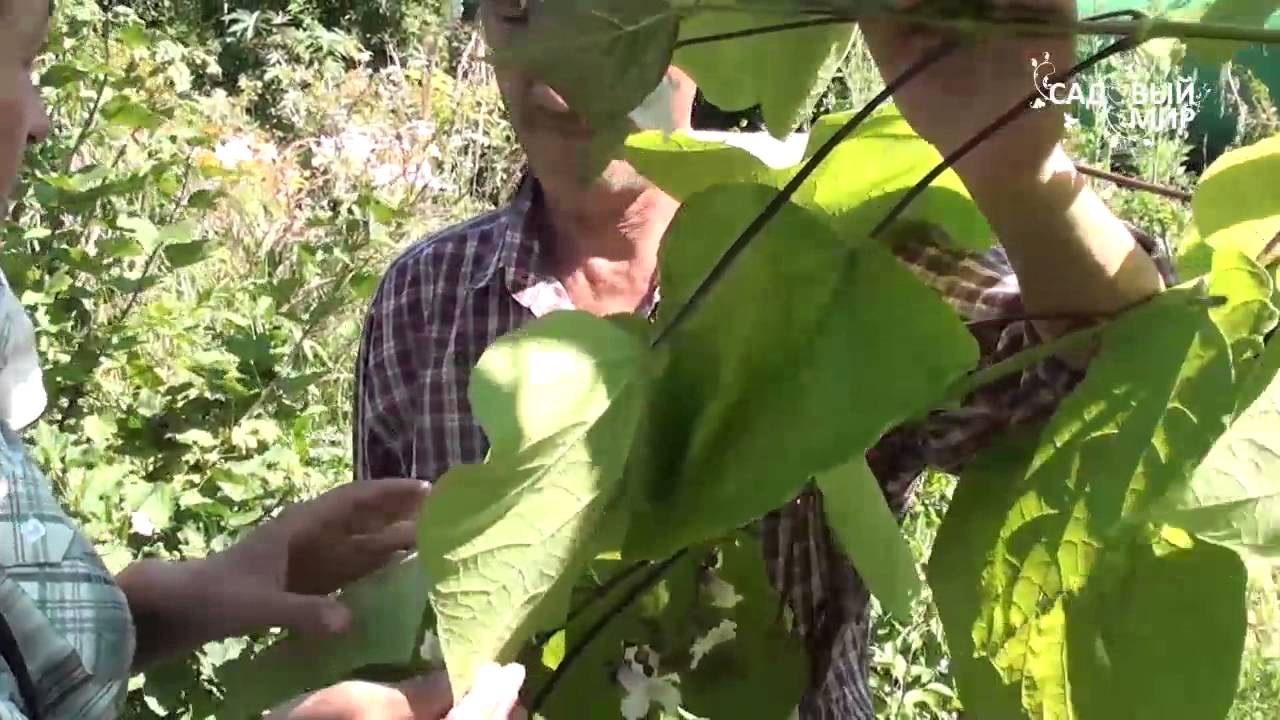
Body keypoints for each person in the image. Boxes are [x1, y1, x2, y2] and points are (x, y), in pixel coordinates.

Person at [352, 0, 1178, 718]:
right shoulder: (424, 299)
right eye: (518, 10)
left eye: (603, 11)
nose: (558, 72)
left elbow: (1115, 389)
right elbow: (386, 597)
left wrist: (1025, 169)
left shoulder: (834, 244)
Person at [0, 1, 528, 718]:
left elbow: (25, 647)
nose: (42, 120)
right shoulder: (428, 288)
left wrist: (191, 596)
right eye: (24, 62)